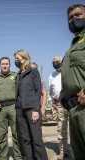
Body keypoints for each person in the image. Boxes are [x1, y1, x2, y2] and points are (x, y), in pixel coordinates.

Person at [60, 4, 85, 159]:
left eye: (78, 15)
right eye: (70, 17)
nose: (73, 19)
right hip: (74, 109)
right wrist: (63, 93)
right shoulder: (72, 47)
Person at [14, 50, 48, 160]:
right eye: (15, 59)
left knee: (36, 139)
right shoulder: (19, 75)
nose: (16, 61)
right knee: (26, 140)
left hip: (31, 110)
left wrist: (35, 109)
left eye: (17, 58)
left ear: (25, 59)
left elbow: (38, 91)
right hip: (20, 111)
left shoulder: (33, 72)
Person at [0, 57, 22, 160]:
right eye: (3, 64)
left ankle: (18, 156)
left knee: (16, 133)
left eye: (7, 64)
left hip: (14, 107)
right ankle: (3, 156)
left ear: (10, 65)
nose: (5, 65)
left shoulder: (16, 76)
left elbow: (21, 90)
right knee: (1, 134)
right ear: (0, 65)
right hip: (0, 109)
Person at [49, 56, 68, 160]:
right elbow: (51, 91)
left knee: (74, 129)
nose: (56, 63)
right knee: (61, 128)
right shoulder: (51, 75)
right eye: (54, 62)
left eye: (58, 62)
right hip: (59, 104)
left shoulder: (68, 72)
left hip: (71, 102)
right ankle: (63, 151)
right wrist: (53, 101)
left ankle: (76, 149)